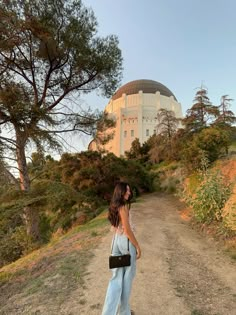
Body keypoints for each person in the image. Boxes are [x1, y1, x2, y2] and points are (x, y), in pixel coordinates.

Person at [102, 182, 141, 315]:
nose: (129, 193)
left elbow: (117, 226)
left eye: (129, 190)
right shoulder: (123, 207)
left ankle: (108, 312)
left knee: (115, 278)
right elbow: (127, 229)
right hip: (125, 241)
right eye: (127, 191)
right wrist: (137, 246)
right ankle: (124, 312)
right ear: (121, 192)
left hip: (116, 241)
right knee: (127, 279)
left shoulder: (114, 206)